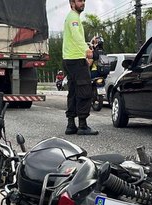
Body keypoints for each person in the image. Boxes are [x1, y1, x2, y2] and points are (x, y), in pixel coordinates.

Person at [62, 0, 98, 135]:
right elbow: (77, 37)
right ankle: (82, 125)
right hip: (76, 60)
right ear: (72, 3)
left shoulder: (72, 17)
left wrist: (88, 46)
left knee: (73, 92)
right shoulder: (73, 17)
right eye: (79, 1)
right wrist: (89, 52)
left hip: (69, 60)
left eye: (83, 0)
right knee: (84, 90)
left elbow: (75, 39)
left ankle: (71, 125)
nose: (82, 3)